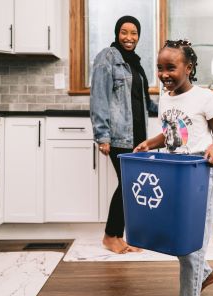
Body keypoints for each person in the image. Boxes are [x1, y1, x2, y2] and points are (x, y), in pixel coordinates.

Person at [134, 39, 213, 296]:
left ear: (189, 67)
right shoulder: (166, 96)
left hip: (200, 172)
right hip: (173, 172)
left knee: (193, 242)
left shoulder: (205, 97)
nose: (164, 74)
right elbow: (172, 134)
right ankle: (206, 273)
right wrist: (151, 143)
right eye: (160, 68)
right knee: (177, 236)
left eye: (171, 68)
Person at [90, 15, 157, 254]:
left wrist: (174, 105)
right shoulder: (107, 57)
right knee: (129, 185)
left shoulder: (134, 63)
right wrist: (102, 135)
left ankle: (120, 235)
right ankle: (111, 235)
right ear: (117, 33)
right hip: (118, 136)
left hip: (138, 137)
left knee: (133, 185)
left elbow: (145, 102)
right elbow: (99, 98)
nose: (129, 38)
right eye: (124, 32)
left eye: (134, 33)